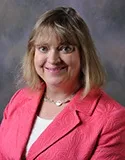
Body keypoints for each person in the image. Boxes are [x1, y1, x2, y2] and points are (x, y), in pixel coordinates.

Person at [0, 6, 125, 160]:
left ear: (83, 55)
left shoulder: (111, 119)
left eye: (65, 48)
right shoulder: (19, 99)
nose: (53, 59)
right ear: (33, 53)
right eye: (43, 48)